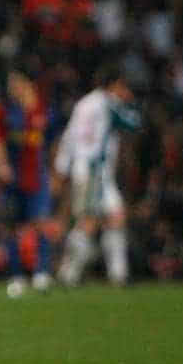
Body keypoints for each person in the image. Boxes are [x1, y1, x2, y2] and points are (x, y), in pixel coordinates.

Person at [53, 66, 141, 286]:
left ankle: (118, 275)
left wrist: (61, 168)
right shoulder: (108, 102)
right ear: (115, 85)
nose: (125, 91)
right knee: (88, 221)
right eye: (124, 87)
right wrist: (130, 104)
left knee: (116, 215)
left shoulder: (82, 104)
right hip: (95, 170)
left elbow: (69, 137)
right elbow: (133, 122)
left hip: (87, 169)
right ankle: (68, 273)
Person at [0, 67, 60, 298]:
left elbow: (55, 142)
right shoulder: (4, 111)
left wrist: (56, 172)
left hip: (37, 178)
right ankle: (16, 276)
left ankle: (41, 274)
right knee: (9, 227)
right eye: (11, 83)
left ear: (29, 84)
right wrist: (1, 165)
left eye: (18, 82)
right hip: (12, 179)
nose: (13, 88)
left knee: (42, 224)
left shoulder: (44, 111)